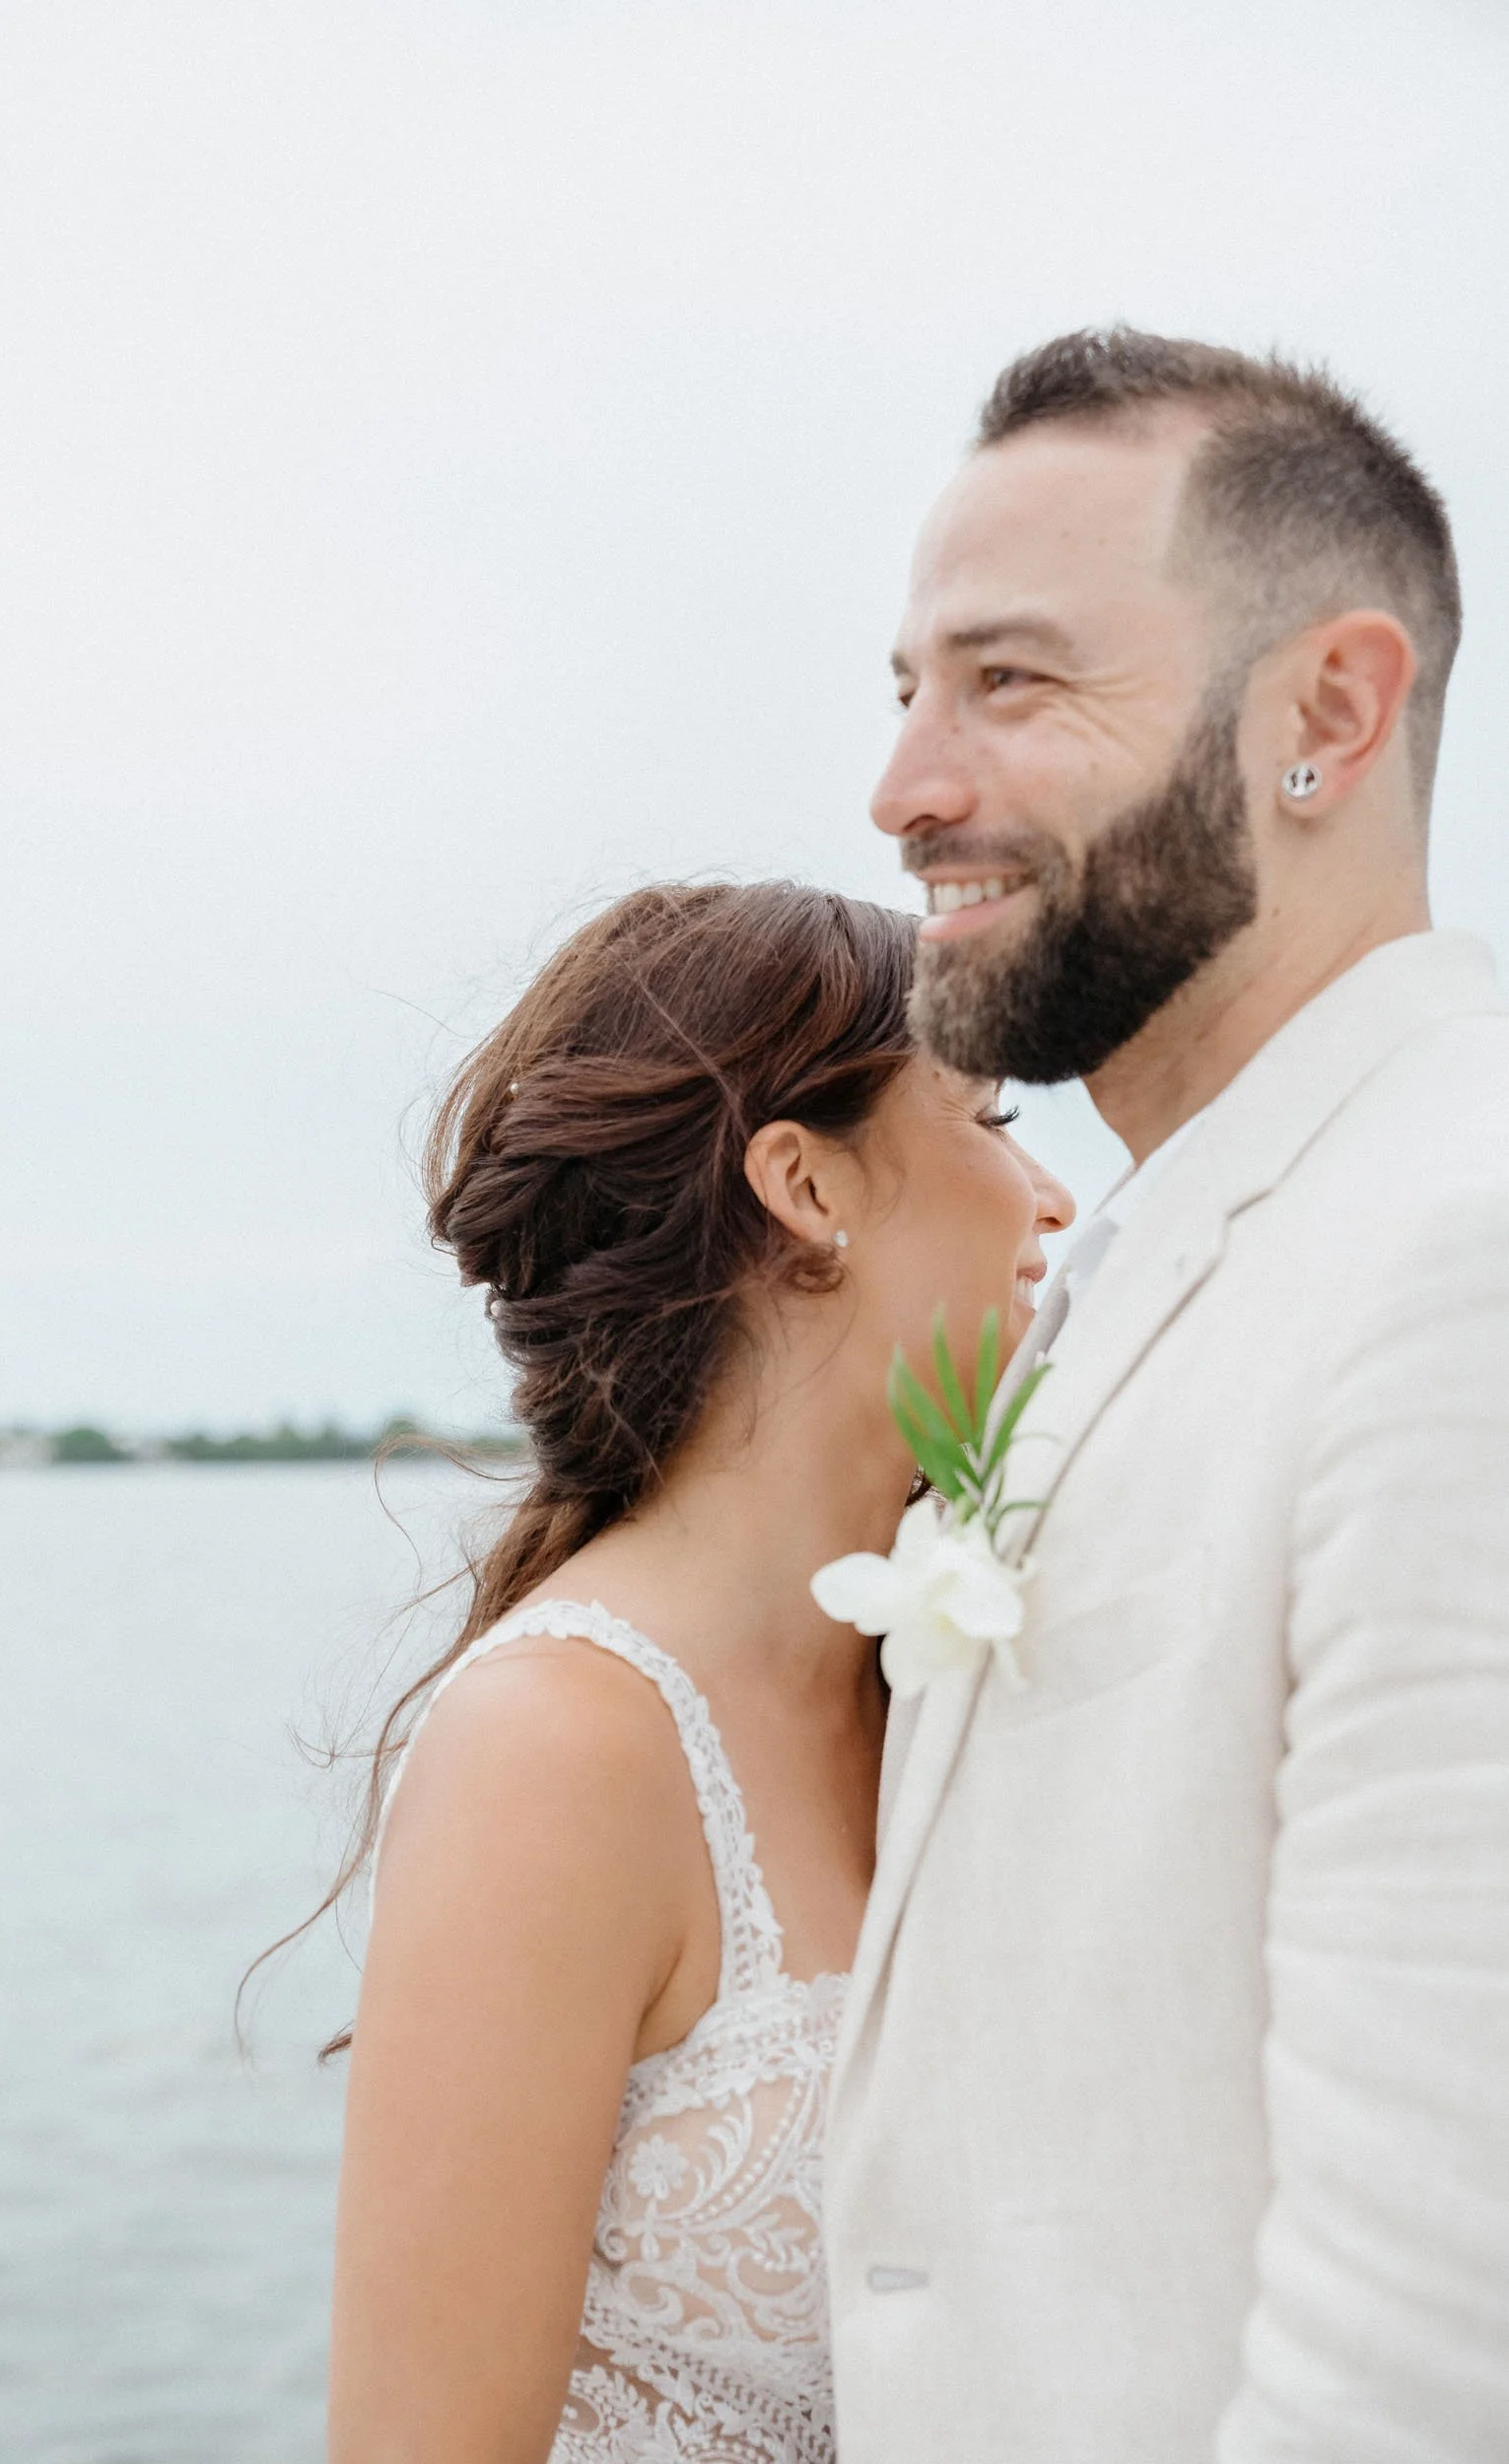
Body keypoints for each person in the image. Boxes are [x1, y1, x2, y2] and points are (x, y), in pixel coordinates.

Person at [827, 328, 1509, 2460]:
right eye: (906, 688)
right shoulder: (1139, 1248)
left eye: (1009, 683)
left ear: (1324, 711)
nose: (903, 788)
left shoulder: (1457, 1247)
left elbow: (1437, 2309)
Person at [326, 880, 1073, 2463]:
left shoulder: (954, 1673)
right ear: (806, 1185)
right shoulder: (560, 1745)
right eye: (994, 1117)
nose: (1052, 1200)